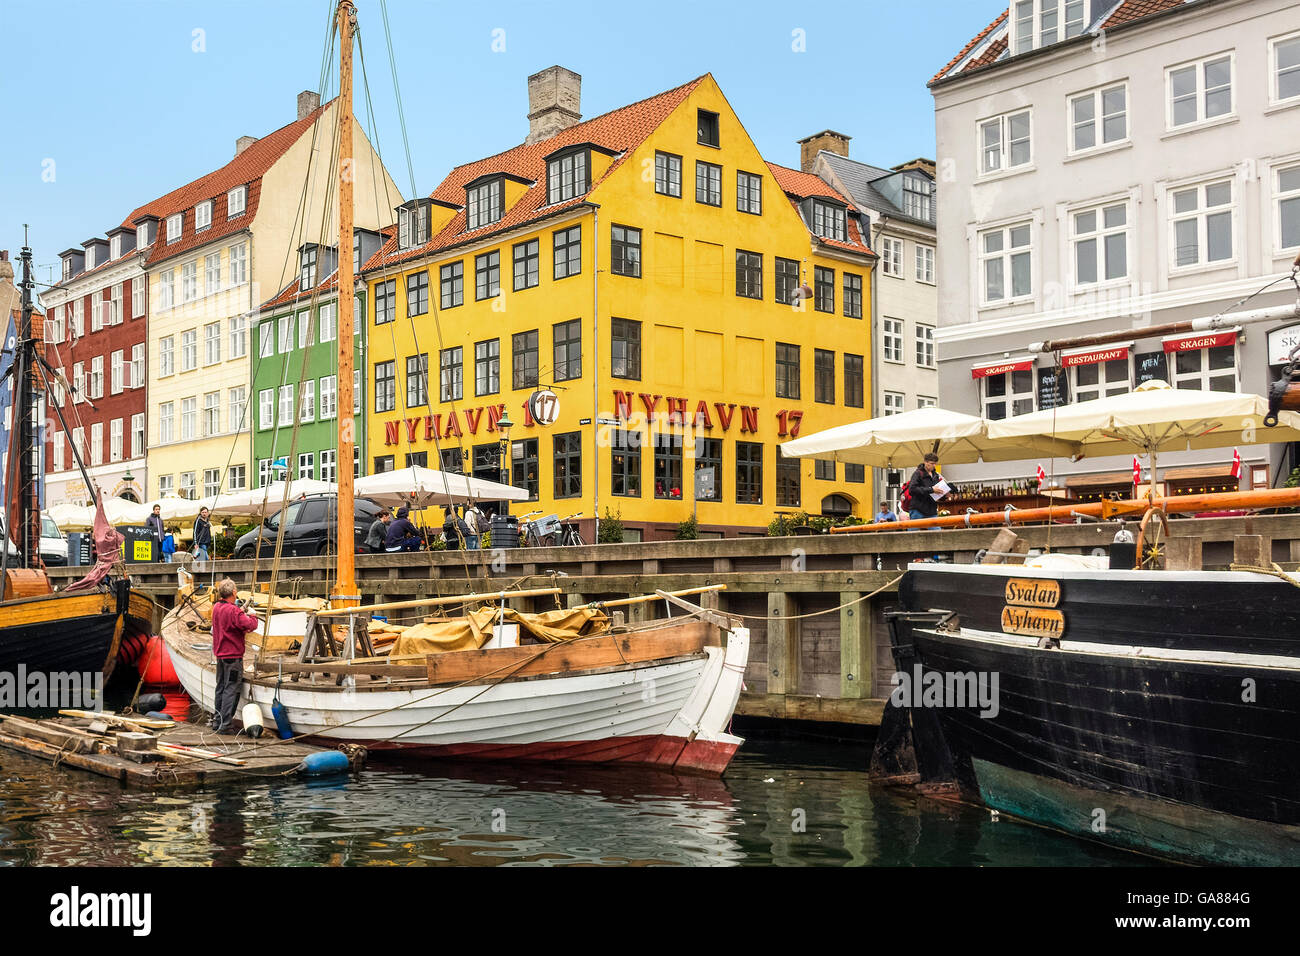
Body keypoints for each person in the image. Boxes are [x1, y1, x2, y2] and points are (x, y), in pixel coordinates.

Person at [210, 578, 259, 734]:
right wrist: (253, 615)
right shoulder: (233, 611)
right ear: (234, 592)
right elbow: (250, 625)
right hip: (233, 657)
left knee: (220, 688)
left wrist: (241, 611)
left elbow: (233, 619)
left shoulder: (217, 607)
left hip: (220, 655)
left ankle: (217, 721)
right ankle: (225, 725)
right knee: (231, 689)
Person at [905, 453, 943, 521]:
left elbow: (936, 490)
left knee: (937, 531)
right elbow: (912, 489)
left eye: (935, 463)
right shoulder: (917, 473)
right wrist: (931, 490)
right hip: (918, 509)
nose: (934, 466)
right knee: (914, 531)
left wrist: (944, 494)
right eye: (932, 463)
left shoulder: (935, 475)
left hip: (932, 510)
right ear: (925, 462)